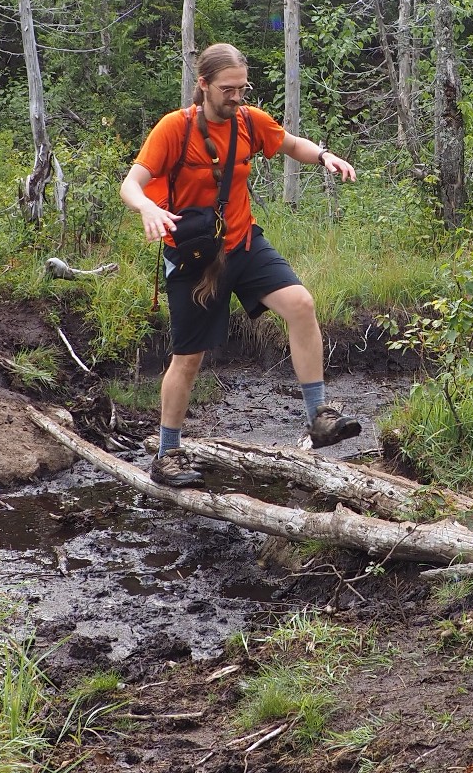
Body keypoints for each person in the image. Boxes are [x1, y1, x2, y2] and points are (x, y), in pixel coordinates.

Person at [121, 42, 360, 485]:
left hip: (243, 243)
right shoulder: (175, 128)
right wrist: (147, 208)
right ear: (204, 85)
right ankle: (167, 455)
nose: (236, 97)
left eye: (242, 88)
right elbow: (131, 183)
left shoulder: (250, 121)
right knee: (188, 359)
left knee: (301, 304)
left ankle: (319, 417)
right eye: (227, 89)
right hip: (194, 256)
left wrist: (324, 156)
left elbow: (291, 144)